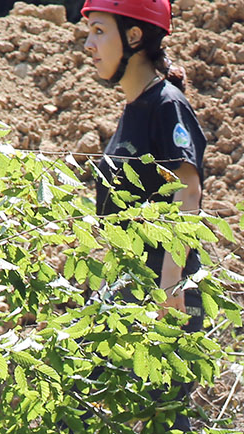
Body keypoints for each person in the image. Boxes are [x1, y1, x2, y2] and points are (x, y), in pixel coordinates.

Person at [82, 0, 207, 306]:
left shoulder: (166, 105)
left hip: (163, 295)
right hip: (130, 286)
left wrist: (169, 284)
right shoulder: (135, 109)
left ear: (134, 36)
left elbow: (188, 192)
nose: (89, 45)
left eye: (99, 31)